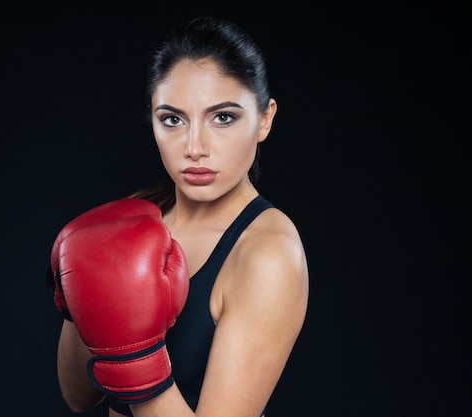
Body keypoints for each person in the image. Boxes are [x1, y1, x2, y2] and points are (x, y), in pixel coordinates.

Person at [48, 15, 309, 417]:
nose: (194, 147)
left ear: (264, 119)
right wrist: (76, 302)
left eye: (223, 117)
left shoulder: (268, 255)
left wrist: (138, 359)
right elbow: (79, 397)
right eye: (172, 119)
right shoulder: (138, 213)